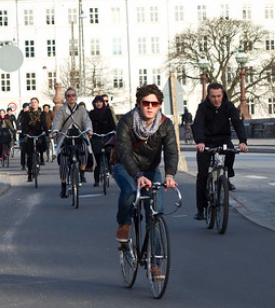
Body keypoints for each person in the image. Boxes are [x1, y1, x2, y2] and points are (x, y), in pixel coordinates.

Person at [113, 84, 178, 280]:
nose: (150, 107)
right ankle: (124, 225)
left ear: (159, 105)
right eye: (146, 103)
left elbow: (172, 150)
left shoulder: (165, 124)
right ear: (139, 103)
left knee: (155, 214)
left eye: (154, 103)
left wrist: (170, 175)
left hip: (151, 169)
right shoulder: (126, 122)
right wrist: (136, 174)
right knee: (131, 191)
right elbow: (123, 151)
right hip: (125, 167)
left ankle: (155, 264)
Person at [192, 83, 248, 220]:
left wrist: (243, 141)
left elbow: (237, 122)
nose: (216, 99)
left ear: (222, 95)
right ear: (208, 96)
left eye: (219, 96)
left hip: (223, 139)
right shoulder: (203, 107)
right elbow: (197, 124)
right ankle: (201, 208)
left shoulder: (228, 106)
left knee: (231, 151)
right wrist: (200, 142)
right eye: (213, 97)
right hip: (206, 141)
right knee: (202, 175)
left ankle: (227, 175)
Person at [51, 87, 93, 199]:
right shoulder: (61, 110)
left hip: (79, 135)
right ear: (66, 98)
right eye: (69, 95)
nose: (71, 97)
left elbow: (86, 121)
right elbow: (57, 121)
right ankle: (63, 186)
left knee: (84, 149)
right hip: (66, 138)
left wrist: (88, 129)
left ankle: (82, 172)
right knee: (64, 161)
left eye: (73, 95)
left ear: (76, 97)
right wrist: (55, 130)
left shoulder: (81, 110)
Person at [89, 95, 116, 187]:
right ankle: (96, 180)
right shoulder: (92, 113)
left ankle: (110, 169)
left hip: (107, 135)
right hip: (96, 137)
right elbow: (89, 124)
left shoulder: (107, 111)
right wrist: (90, 132)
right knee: (98, 160)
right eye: (97, 102)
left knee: (108, 155)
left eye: (100, 102)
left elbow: (112, 122)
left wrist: (114, 131)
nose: (99, 104)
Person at [20, 98, 48, 182]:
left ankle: (40, 159)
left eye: (35, 102)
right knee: (29, 154)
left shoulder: (42, 114)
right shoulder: (26, 114)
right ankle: (29, 173)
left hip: (39, 134)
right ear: (30, 104)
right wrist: (24, 133)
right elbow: (24, 125)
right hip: (30, 134)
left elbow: (44, 124)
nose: (34, 104)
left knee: (42, 145)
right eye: (32, 102)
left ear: (38, 104)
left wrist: (46, 132)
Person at [16, 103, 30, 170]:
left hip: (30, 134)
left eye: (27, 108)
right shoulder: (21, 115)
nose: (26, 109)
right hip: (22, 134)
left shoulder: (31, 114)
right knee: (23, 150)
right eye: (25, 108)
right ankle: (23, 164)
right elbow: (18, 122)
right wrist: (18, 129)